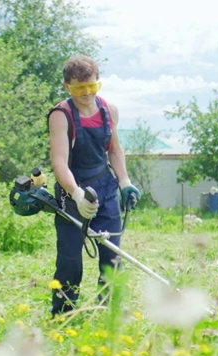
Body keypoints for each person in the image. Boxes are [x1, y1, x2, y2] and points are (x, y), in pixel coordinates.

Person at [47, 55, 141, 316]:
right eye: (79, 88)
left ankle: (108, 313)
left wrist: (125, 182)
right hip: (73, 190)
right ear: (67, 87)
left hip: (106, 187)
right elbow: (59, 163)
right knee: (70, 260)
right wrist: (76, 194)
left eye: (92, 86)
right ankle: (63, 314)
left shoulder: (109, 111)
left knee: (112, 256)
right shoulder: (61, 115)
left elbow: (115, 149)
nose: (86, 93)